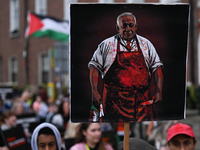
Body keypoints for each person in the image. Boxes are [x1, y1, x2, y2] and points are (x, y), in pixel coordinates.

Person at [88, 12, 163, 122]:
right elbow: (94, 67)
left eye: (131, 25)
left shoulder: (146, 44)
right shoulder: (107, 45)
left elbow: (157, 68)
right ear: (117, 28)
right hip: (113, 103)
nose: (128, 29)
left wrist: (159, 91)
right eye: (124, 26)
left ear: (136, 26)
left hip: (141, 103)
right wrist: (94, 90)